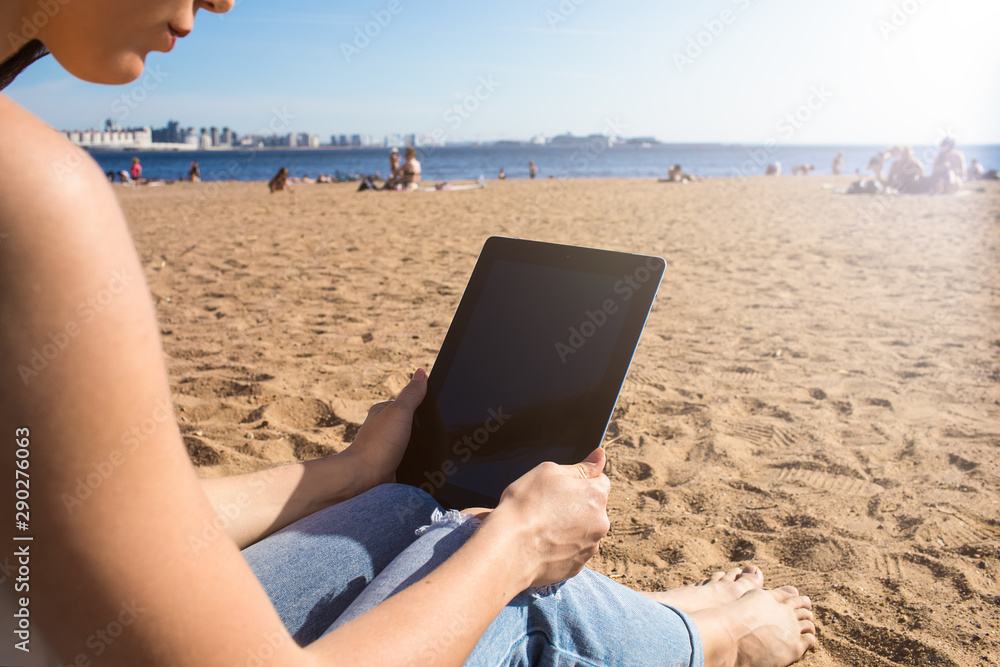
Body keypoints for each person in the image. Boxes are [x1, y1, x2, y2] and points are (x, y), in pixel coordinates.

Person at [0, 4, 816, 667]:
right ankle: (713, 635)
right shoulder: (32, 190)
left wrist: (347, 469)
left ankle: (670, 614)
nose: (223, 2)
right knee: (502, 574)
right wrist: (521, 543)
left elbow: (52, 525)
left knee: (404, 503)